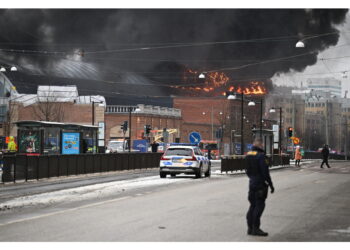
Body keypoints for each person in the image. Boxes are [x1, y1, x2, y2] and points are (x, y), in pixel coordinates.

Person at [245, 138, 275, 236]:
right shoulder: (261, 156)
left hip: (252, 183)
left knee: (252, 205)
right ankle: (256, 228)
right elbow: (265, 172)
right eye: (262, 145)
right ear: (260, 145)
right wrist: (270, 184)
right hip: (260, 185)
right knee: (259, 206)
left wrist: (252, 178)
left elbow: (247, 170)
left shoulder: (248, 155)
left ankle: (250, 228)